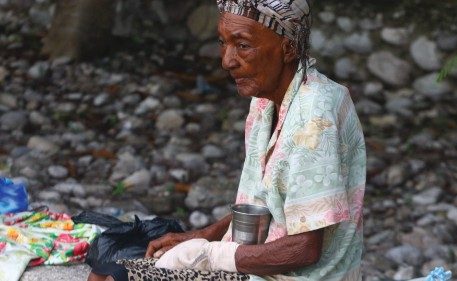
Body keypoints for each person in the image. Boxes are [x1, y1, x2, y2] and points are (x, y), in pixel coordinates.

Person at [88, 0, 366, 280]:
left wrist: (210, 254)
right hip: (258, 263)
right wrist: (204, 235)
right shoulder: (265, 101)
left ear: (288, 48)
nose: (227, 60)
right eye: (223, 42)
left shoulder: (315, 112)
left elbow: (305, 250)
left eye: (243, 45)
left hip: (296, 275)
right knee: (102, 273)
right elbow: (266, 204)